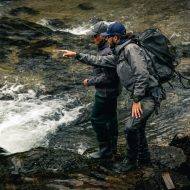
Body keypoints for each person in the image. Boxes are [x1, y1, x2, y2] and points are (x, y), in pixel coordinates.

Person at [61, 21, 166, 173]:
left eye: (108, 37)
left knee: (131, 127)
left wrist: (137, 99)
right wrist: (77, 55)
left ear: (115, 38)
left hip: (149, 95)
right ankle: (144, 159)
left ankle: (130, 162)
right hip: (143, 94)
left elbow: (142, 74)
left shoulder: (131, 49)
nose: (106, 39)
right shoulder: (119, 52)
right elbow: (99, 60)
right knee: (138, 127)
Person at [58, 21, 121, 159]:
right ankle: (113, 149)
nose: (92, 39)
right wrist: (76, 55)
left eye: (94, 36)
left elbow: (108, 77)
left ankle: (105, 150)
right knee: (111, 119)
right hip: (112, 92)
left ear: (104, 36)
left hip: (104, 94)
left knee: (96, 120)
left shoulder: (106, 51)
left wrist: (90, 81)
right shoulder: (109, 49)